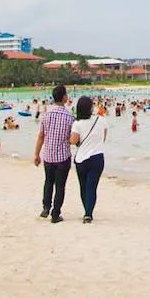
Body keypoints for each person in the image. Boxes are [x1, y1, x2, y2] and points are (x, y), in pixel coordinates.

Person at [34, 85, 74, 223]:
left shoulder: (46, 115)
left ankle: (46, 207)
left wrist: (36, 154)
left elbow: (41, 136)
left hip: (48, 155)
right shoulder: (70, 117)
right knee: (60, 186)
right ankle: (55, 214)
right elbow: (72, 138)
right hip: (63, 156)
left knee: (48, 182)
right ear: (64, 97)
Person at [70, 95, 107, 223]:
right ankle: (88, 213)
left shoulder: (77, 124)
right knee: (92, 186)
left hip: (81, 158)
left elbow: (73, 141)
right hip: (97, 156)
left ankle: (87, 210)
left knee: (83, 186)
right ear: (91, 108)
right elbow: (104, 136)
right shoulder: (100, 120)